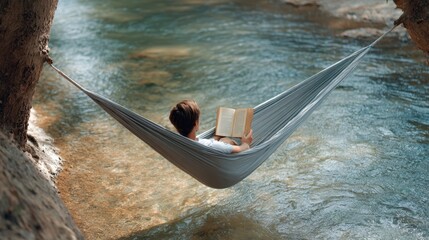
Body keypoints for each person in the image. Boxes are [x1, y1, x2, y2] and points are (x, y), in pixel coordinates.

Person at [169, 100, 253, 153]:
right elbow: (242, 149)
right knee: (226, 140)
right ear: (195, 124)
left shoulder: (179, 144)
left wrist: (216, 137)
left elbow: (205, 144)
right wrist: (246, 142)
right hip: (224, 163)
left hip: (202, 165)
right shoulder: (211, 146)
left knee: (223, 139)